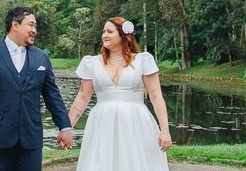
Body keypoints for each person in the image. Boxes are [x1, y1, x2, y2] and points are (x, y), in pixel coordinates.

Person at [0, 6, 73, 171]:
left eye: (35, 26)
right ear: (15, 25)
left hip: (31, 137)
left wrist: (64, 126)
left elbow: (53, 95)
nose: (34, 30)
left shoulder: (41, 57)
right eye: (30, 25)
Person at [68, 16, 172, 171]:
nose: (104, 35)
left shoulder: (143, 60)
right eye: (103, 31)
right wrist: (67, 128)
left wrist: (165, 130)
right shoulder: (91, 63)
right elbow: (82, 98)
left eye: (109, 31)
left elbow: (156, 96)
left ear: (123, 35)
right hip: (102, 124)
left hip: (136, 124)